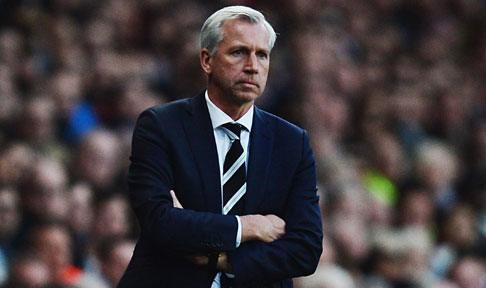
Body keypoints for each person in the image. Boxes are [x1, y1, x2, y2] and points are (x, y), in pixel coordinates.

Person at [118, 5, 322, 288]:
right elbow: (160, 223)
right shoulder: (161, 126)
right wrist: (247, 227)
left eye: (262, 55)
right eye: (239, 52)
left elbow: (306, 250)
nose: (252, 66)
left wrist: (219, 259)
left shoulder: (292, 142)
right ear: (207, 60)